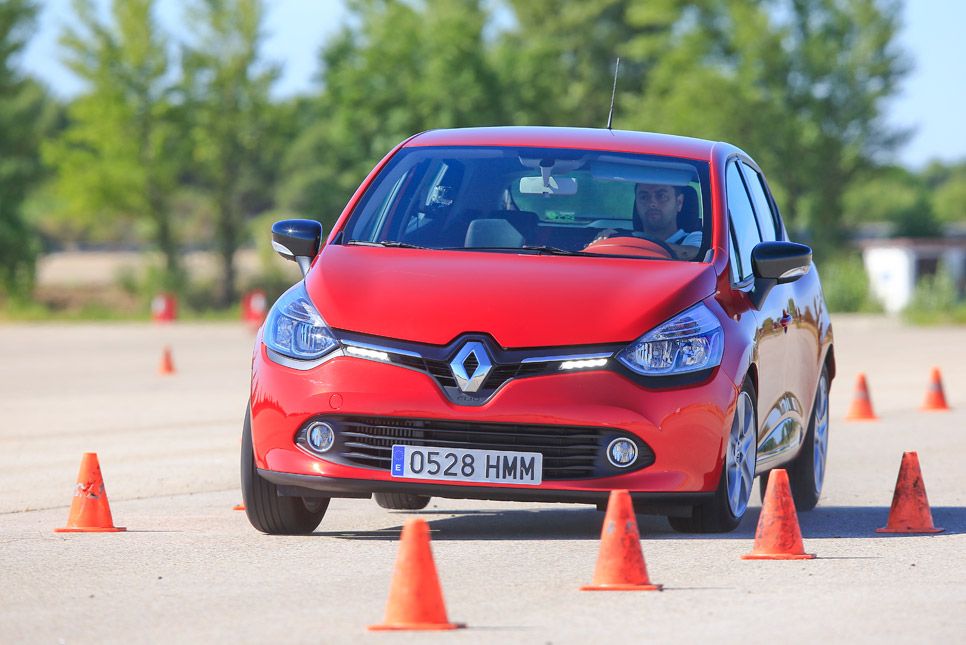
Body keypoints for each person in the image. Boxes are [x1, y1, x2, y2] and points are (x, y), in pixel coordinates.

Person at [630, 183, 702, 260]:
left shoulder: (695, 238)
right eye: (643, 197)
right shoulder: (626, 239)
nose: (652, 204)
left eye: (661, 196)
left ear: (679, 203)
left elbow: (692, 253)